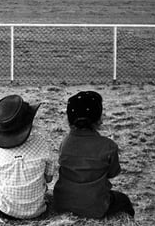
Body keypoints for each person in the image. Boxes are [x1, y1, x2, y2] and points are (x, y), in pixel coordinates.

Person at [53, 91, 135, 219]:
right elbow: (113, 173)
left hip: (62, 202)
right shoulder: (108, 146)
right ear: (99, 119)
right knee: (123, 200)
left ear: (69, 120)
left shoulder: (65, 143)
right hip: (95, 206)